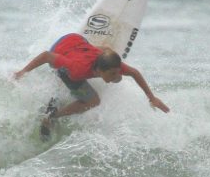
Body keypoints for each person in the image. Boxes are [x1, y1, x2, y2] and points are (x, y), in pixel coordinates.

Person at [14, 33, 170, 137]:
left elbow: (135, 73)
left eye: (117, 71)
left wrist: (152, 97)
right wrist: (23, 72)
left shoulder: (112, 65)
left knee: (113, 67)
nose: (117, 75)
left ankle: (101, 49)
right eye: (112, 73)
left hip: (77, 40)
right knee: (94, 101)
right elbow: (47, 56)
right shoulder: (78, 68)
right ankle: (53, 116)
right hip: (60, 50)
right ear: (98, 70)